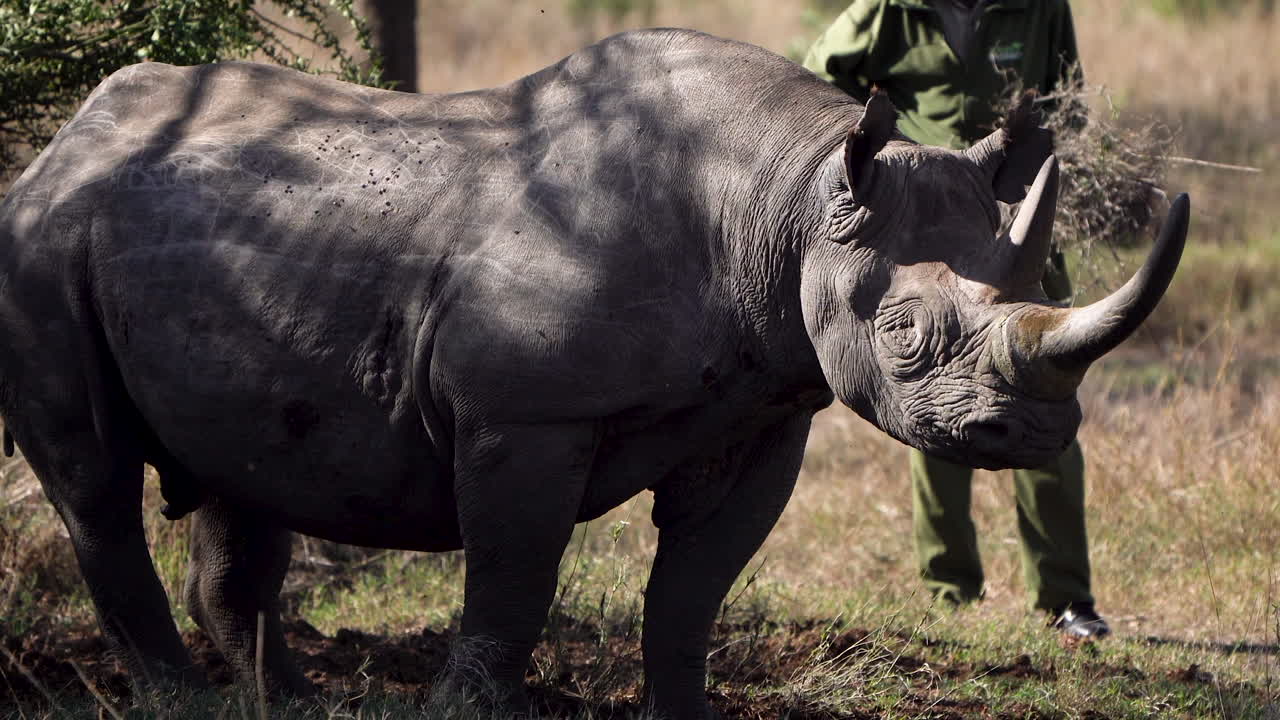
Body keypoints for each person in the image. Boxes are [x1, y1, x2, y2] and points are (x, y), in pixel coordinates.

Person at [803, 0, 1109, 640]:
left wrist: (1039, 167)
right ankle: (950, 590)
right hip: (930, 234)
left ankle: (1065, 596)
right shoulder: (890, 9)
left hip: (1015, 231)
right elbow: (818, 80)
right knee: (937, 394)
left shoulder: (1039, 8)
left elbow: (1067, 103)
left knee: (1040, 393)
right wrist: (891, 165)